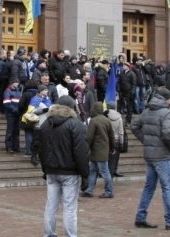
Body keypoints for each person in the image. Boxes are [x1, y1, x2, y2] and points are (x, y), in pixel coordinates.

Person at [131, 88, 170, 230]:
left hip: (150, 155)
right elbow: (167, 134)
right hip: (162, 155)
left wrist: (147, 141)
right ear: (168, 99)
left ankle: (140, 217)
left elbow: (134, 126)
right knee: (167, 188)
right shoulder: (167, 113)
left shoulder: (147, 110)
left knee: (149, 187)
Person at [39, 95, 89, 237]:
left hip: (51, 170)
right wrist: (85, 174)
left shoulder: (46, 124)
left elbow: (41, 149)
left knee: (51, 205)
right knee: (69, 207)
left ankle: (48, 234)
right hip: (69, 171)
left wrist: (45, 169)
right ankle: (71, 235)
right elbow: (81, 151)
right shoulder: (75, 123)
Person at [81, 101, 115, 198]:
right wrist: (112, 147)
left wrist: (87, 148)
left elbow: (89, 136)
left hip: (95, 150)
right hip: (104, 149)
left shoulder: (94, 120)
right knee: (101, 171)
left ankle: (109, 191)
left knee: (98, 171)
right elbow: (111, 136)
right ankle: (90, 190)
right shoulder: (106, 120)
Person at [3, 78, 23, 153]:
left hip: (16, 113)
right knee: (10, 131)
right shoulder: (7, 91)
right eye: (16, 82)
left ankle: (16, 147)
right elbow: (7, 103)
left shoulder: (18, 91)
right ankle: (9, 147)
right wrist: (15, 111)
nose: (17, 83)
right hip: (11, 114)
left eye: (18, 82)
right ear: (12, 83)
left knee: (16, 131)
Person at [106, 101, 125, 177]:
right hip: (116, 140)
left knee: (107, 158)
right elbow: (121, 132)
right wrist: (121, 142)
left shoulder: (105, 116)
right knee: (115, 158)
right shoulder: (119, 118)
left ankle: (107, 172)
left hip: (107, 140)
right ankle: (114, 170)